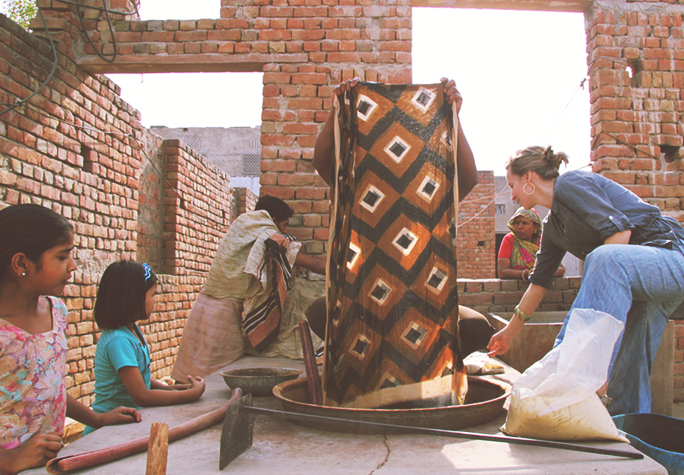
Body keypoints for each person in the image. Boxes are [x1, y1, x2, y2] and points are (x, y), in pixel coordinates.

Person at [488, 146, 684, 415]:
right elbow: (539, 283)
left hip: (674, 258)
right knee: (630, 369)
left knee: (603, 259)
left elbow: (619, 234)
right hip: (640, 279)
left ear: (528, 178)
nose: (512, 194)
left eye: (512, 185)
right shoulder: (553, 226)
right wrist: (509, 333)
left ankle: (580, 370)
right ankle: (631, 436)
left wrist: (598, 356)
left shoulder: (571, 183)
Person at [311, 76, 496, 359]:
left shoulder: (428, 200)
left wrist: (453, 118)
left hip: (424, 301)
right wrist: (336, 112)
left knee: (477, 328)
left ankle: (434, 369)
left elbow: (468, 177)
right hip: (366, 297)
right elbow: (323, 163)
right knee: (319, 314)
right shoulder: (359, 194)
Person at [0, 204, 142, 475]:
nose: (73, 266)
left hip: (41, 474)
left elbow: (48, 387)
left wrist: (98, 419)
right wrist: (9, 459)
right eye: (62, 256)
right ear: (21, 263)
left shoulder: (57, 312)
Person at [171, 195, 326, 382]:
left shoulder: (241, 228)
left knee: (191, 364)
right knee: (219, 372)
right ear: (273, 220)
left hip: (202, 304)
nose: (285, 230)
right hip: (223, 312)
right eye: (284, 225)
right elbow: (317, 266)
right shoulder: (270, 237)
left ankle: (186, 396)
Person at [84, 261, 206, 435]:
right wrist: (191, 395)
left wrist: (168, 389)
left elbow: (138, 378)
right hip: (108, 428)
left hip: (128, 421)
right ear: (133, 300)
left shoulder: (132, 330)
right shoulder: (118, 341)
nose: (155, 300)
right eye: (152, 295)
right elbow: (141, 395)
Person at [497, 207, 565, 280]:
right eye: (517, 223)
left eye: (525, 223)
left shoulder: (543, 241)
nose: (520, 227)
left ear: (535, 226)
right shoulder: (510, 239)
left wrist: (539, 274)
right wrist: (527, 274)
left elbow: (561, 270)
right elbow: (502, 271)